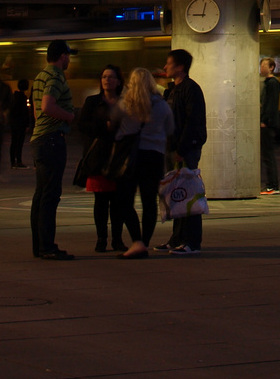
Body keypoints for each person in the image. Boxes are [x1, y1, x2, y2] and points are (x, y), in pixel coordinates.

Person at [111, 67, 175, 259]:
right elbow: (170, 129)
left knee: (124, 199)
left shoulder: (124, 105)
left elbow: (112, 125)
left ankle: (136, 240)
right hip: (154, 157)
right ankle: (145, 243)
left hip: (130, 157)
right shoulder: (163, 106)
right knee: (149, 201)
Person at [30, 39, 76, 260]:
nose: (69, 59)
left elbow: (37, 111)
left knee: (40, 195)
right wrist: (69, 116)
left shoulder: (39, 76)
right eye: (68, 55)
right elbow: (47, 105)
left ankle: (39, 245)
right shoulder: (56, 76)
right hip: (51, 140)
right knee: (50, 196)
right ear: (62, 56)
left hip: (39, 139)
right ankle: (47, 246)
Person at [160, 48, 207, 255]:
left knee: (188, 194)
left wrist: (181, 149)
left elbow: (192, 121)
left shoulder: (191, 89)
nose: (165, 67)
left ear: (180, 67)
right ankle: (176, 238)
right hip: (171, 148)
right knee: (176, 194)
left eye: (169, 63)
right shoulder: (171, 90)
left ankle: (192, 242)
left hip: (184, 150)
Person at [77, 65, 126, 253]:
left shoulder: (124, 102)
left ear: (119, 81)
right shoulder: (92, 101)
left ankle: (117, 238)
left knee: (118, 201)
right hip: (98, 157)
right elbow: (82, 125)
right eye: (104, 76)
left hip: (119, 157)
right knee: (101, 201)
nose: (107, 80)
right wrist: (103, 126)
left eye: (111, 77)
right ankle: (101, 238)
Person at [259, 57, 280, 195]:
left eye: (264, 66)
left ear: (271, 67)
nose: (261, 68)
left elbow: (271, 104)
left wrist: (265, 120)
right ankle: (272, 185)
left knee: (268, 155)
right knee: (267, 154)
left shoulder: (272, 83)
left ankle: (272, 186)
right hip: (267, 123)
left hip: (268, 124)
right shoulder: (269, 83)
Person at [9, 79, 31, 169]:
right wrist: (27, 124)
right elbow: (25, 112)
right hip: (21, 123)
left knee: (14, 142)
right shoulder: (24, 98)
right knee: (20, 142)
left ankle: (12, 162)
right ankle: (19, 160)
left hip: (14, 122)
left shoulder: (13, 97)